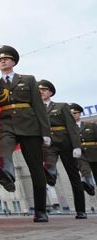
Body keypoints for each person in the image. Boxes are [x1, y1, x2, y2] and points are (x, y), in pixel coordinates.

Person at [0, 46, 51, 223]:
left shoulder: (28, 80)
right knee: (4, 150)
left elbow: (38, 106)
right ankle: (7, 173)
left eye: (6, 59)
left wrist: (46, 132)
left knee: (36, 168)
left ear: (13, 61)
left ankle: (40, 210)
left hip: (29, 125)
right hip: (5, 123)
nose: (3, 61)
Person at [38, 80, 87, 219]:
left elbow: (72, 127)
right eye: (39, 90)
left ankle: (80, 210)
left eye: (44, 89)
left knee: (74, 177)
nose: (41, 92)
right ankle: (51, 174)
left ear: (50, 92)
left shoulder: (61, 106)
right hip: (48, 144)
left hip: (65, 143)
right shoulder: (36, 108)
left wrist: (76, 146)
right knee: (49, 165)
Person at [70, 103, 97, 196]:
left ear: (80, 114)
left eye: (75, 113)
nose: (73, 115)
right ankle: (89, 186)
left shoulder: (91, 125)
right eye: (71, 113)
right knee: (85, 171)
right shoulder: (68, 129)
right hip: (80, 154)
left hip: (94, 153)